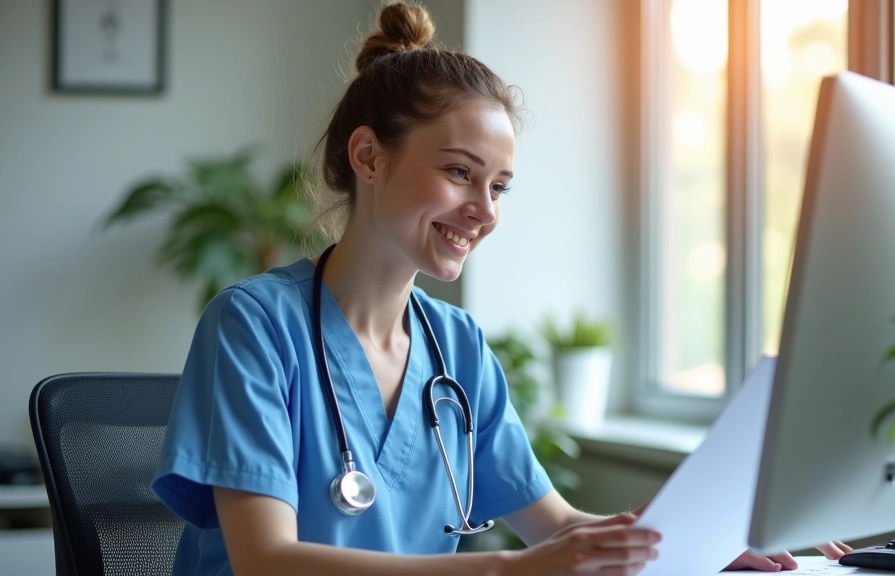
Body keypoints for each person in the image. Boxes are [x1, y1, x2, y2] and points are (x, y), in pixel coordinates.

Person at [151, 3, 852, 575]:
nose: (485, 212)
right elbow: (267, 562)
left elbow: (560, 524)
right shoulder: (253, 327)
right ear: (368, 156)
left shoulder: (455, 346)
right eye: (460, 173)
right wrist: (508, 571)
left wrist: (698, 548)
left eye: (500, 186)